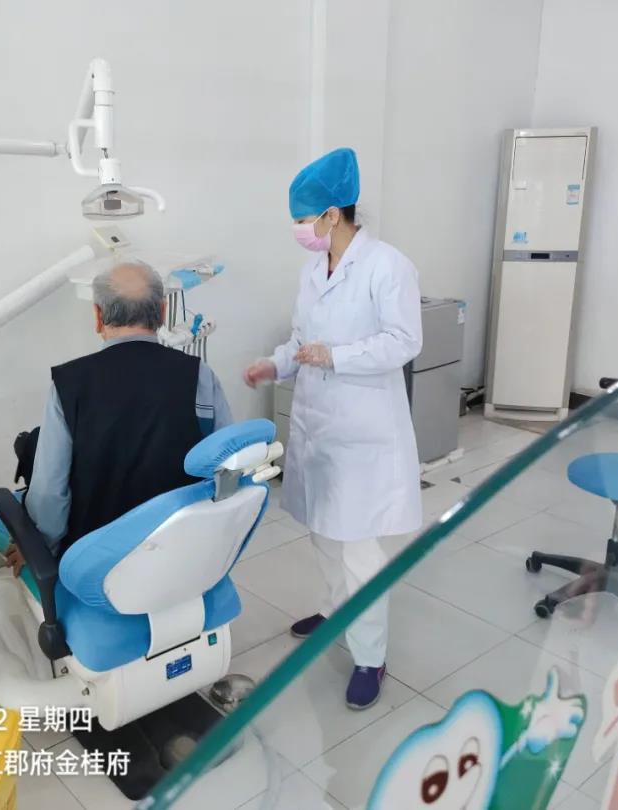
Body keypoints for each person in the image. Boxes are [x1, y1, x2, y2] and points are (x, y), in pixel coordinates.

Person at [243, 147, 423, 710]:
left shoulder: (387, 266)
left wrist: (337, 357)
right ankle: (333, 610)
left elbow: (404, 341)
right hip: (319, 423)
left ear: (331, 214)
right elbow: (302, 341)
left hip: (363, 428)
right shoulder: (311, 271)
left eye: (304, 219)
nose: (299, 229)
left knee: (359, 548)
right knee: (323, 531)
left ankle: (371, 657)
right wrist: (276, 364)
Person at [6, 260, 232, 573]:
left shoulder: (69, 384)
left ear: (98, 317)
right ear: (162, 312)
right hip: (179, 553)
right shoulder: (199, 375)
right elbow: (225, 465)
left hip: (96, 564)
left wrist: (39, 548)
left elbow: (49, 493)